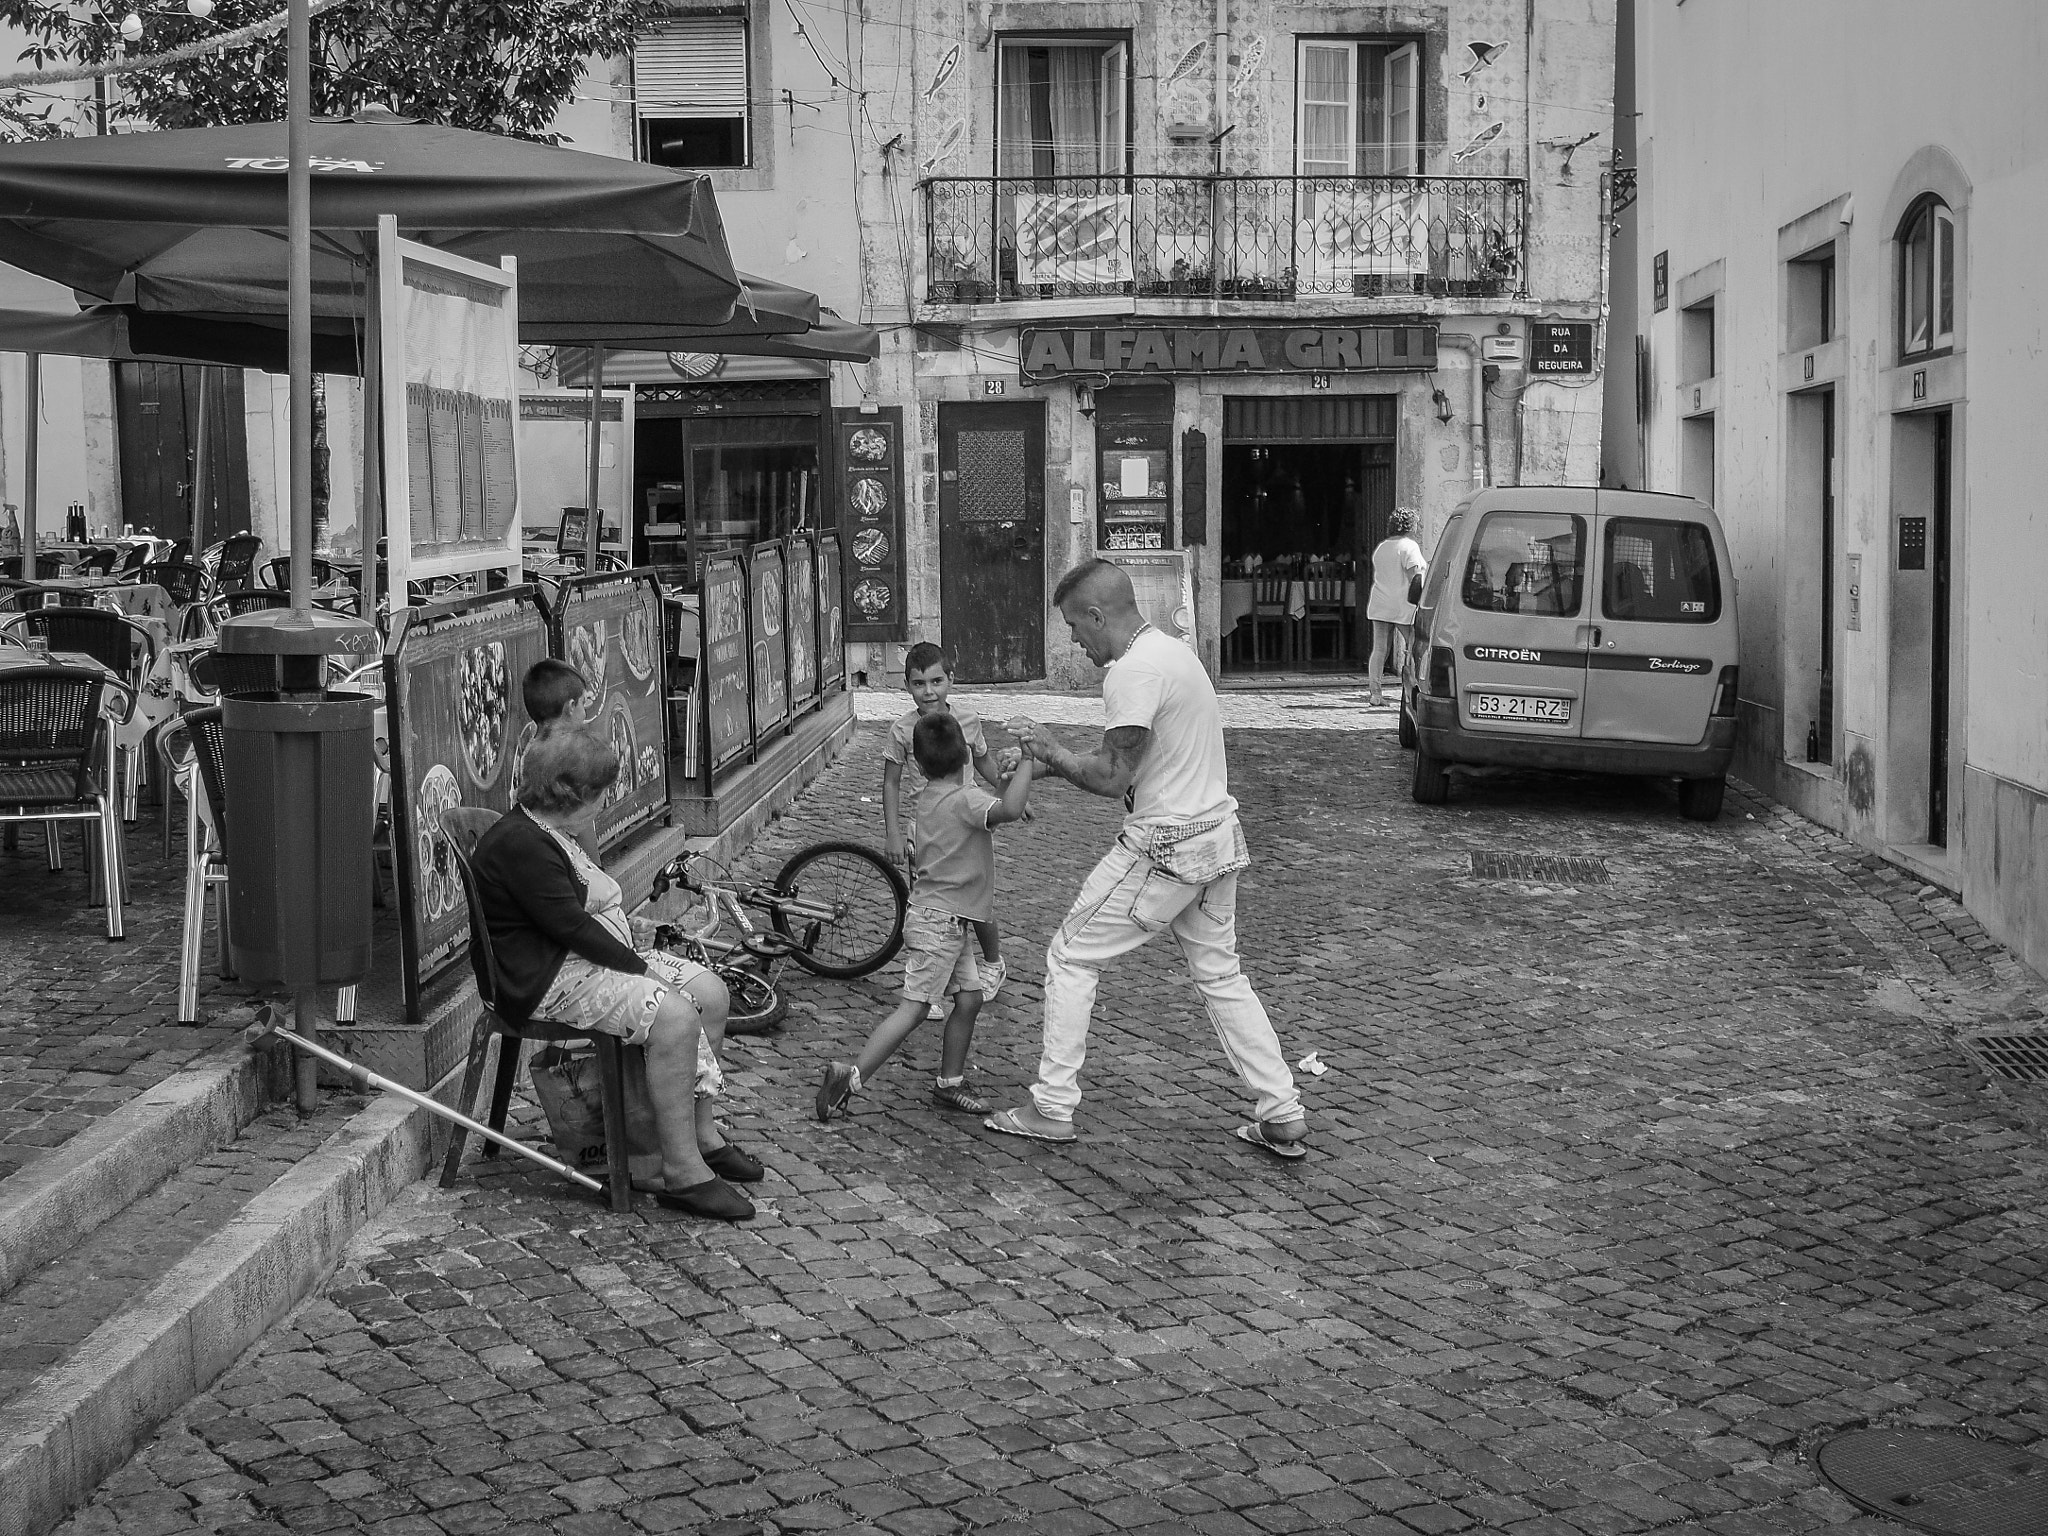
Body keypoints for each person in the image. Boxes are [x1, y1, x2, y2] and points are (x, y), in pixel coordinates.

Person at [986, 559, 1308, 1159]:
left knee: (1070, 957)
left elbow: (1111, 778)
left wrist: (1049, 747)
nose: (1076, 644)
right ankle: (1282, 1110)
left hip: (1166, 845)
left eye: (1075, 629)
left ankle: (1052, 1107)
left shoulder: (1131, 673)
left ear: (1097, 614)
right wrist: (1050, 766)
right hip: (1215, 837)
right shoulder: (1173, 653)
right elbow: (1143, 766)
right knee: (1221, 975)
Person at [470, 730, 759, 1221]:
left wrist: (633, 937)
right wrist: (645, 969)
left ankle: (702, 1135)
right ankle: (682, 1170)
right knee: (673, 1016)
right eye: (602, 793)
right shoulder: (523, 843)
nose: (606, 803)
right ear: (571, 794)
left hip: (575, 959)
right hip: (544, 978)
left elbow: (581, 915)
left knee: (710, 993)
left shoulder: (547, 830)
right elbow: (572, 929)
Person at [819, 713, 1037, 1121]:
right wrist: (1026, 759)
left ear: (919, 765)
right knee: (915, 1008)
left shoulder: (931, 799)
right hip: (942, 927)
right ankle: (849, 1078)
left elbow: (998, 803)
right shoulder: (965, 800)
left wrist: (1006, 778)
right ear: (968, 757)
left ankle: (949, 1084)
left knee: (969, 1000)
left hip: (946, 922)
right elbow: (1009, 810)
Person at [882, 641, 1010, 1007]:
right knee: (927, 905)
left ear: (950, 680)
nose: (929, 691)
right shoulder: (902, 731)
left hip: (966, 825)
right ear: (907, 685)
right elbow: (890, 782)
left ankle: (992, 962)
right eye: (919, 684)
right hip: (924, 831)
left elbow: (984, 765)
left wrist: (1005, 789)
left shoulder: (968, 722)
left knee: (976, 899)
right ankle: (930, 983)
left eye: (936, 681)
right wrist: (892, 833)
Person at [1365, 506, 1427, 707]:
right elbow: (1415, 578)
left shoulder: (1382, 547)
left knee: (1380, 649)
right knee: (1414, 646)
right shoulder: (1409, 547)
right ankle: (1415, 688)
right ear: (1410, 525)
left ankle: (1375, 693)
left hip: (1380, 602)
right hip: (1403, 604)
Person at [523, 657, 591, 738]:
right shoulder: (580, 749)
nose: (584, 714)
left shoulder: (531, 749)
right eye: (582, 703)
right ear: (571, 706)